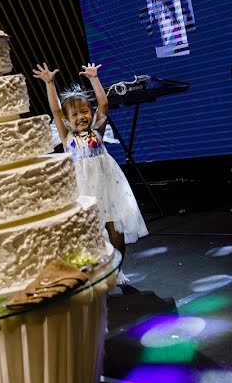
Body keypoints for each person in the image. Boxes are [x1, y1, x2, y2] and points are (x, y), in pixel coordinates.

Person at [32, 62, 148, 264]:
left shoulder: (97, 131)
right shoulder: (66, 137)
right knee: (92, 233)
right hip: (84, 189)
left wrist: (94, 79)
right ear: (68, 120)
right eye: (75, 114)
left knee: (116, 232)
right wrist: (50, 84)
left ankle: (118, 270)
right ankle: (100, 270)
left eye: (84, 111)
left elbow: (103, 104)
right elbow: (56, 111)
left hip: (109, 187)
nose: (81, 117)